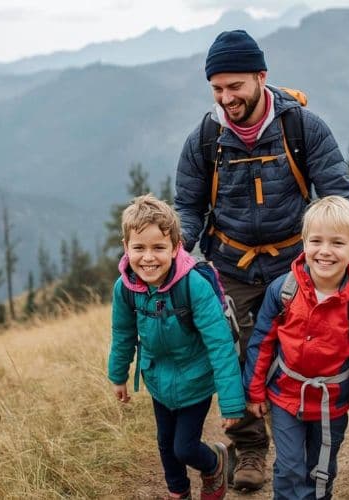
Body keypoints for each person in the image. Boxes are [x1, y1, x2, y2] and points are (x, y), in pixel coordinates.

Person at [174, 29, 349, 490]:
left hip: (295, 264)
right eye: (217, 88)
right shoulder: (205, 139)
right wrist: (175, 250)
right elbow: (188, 206)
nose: (226, 98)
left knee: (298, 347)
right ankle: (250, 447)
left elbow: (341, 197)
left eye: (235, 86)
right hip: (229, 265)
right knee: (236, 355)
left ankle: (302, 437)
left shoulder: (302, 128)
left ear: (261, 77)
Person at [243, 195, 349, 500]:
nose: (325, 251)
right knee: (289, 468)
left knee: (321, 470)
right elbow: (262, 342)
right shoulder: (283, 290)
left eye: (337, 243)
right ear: (304, 243)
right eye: (316, 241)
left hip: (331, 404)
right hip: (285, 397)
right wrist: (254, 391)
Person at [107, 194, 245, 500]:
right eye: (139, 248)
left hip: (195, 380)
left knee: (184, 447)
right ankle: (178, 493)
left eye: (158, 247)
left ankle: (214, 463)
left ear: (175, 246)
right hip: (158, 378)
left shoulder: (193, 285)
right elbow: (123, 333)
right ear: (126, 247)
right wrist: (118, 375)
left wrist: (231, 401)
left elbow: (220, 344)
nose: (148, 258)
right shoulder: (126, 288)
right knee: (165, 445)